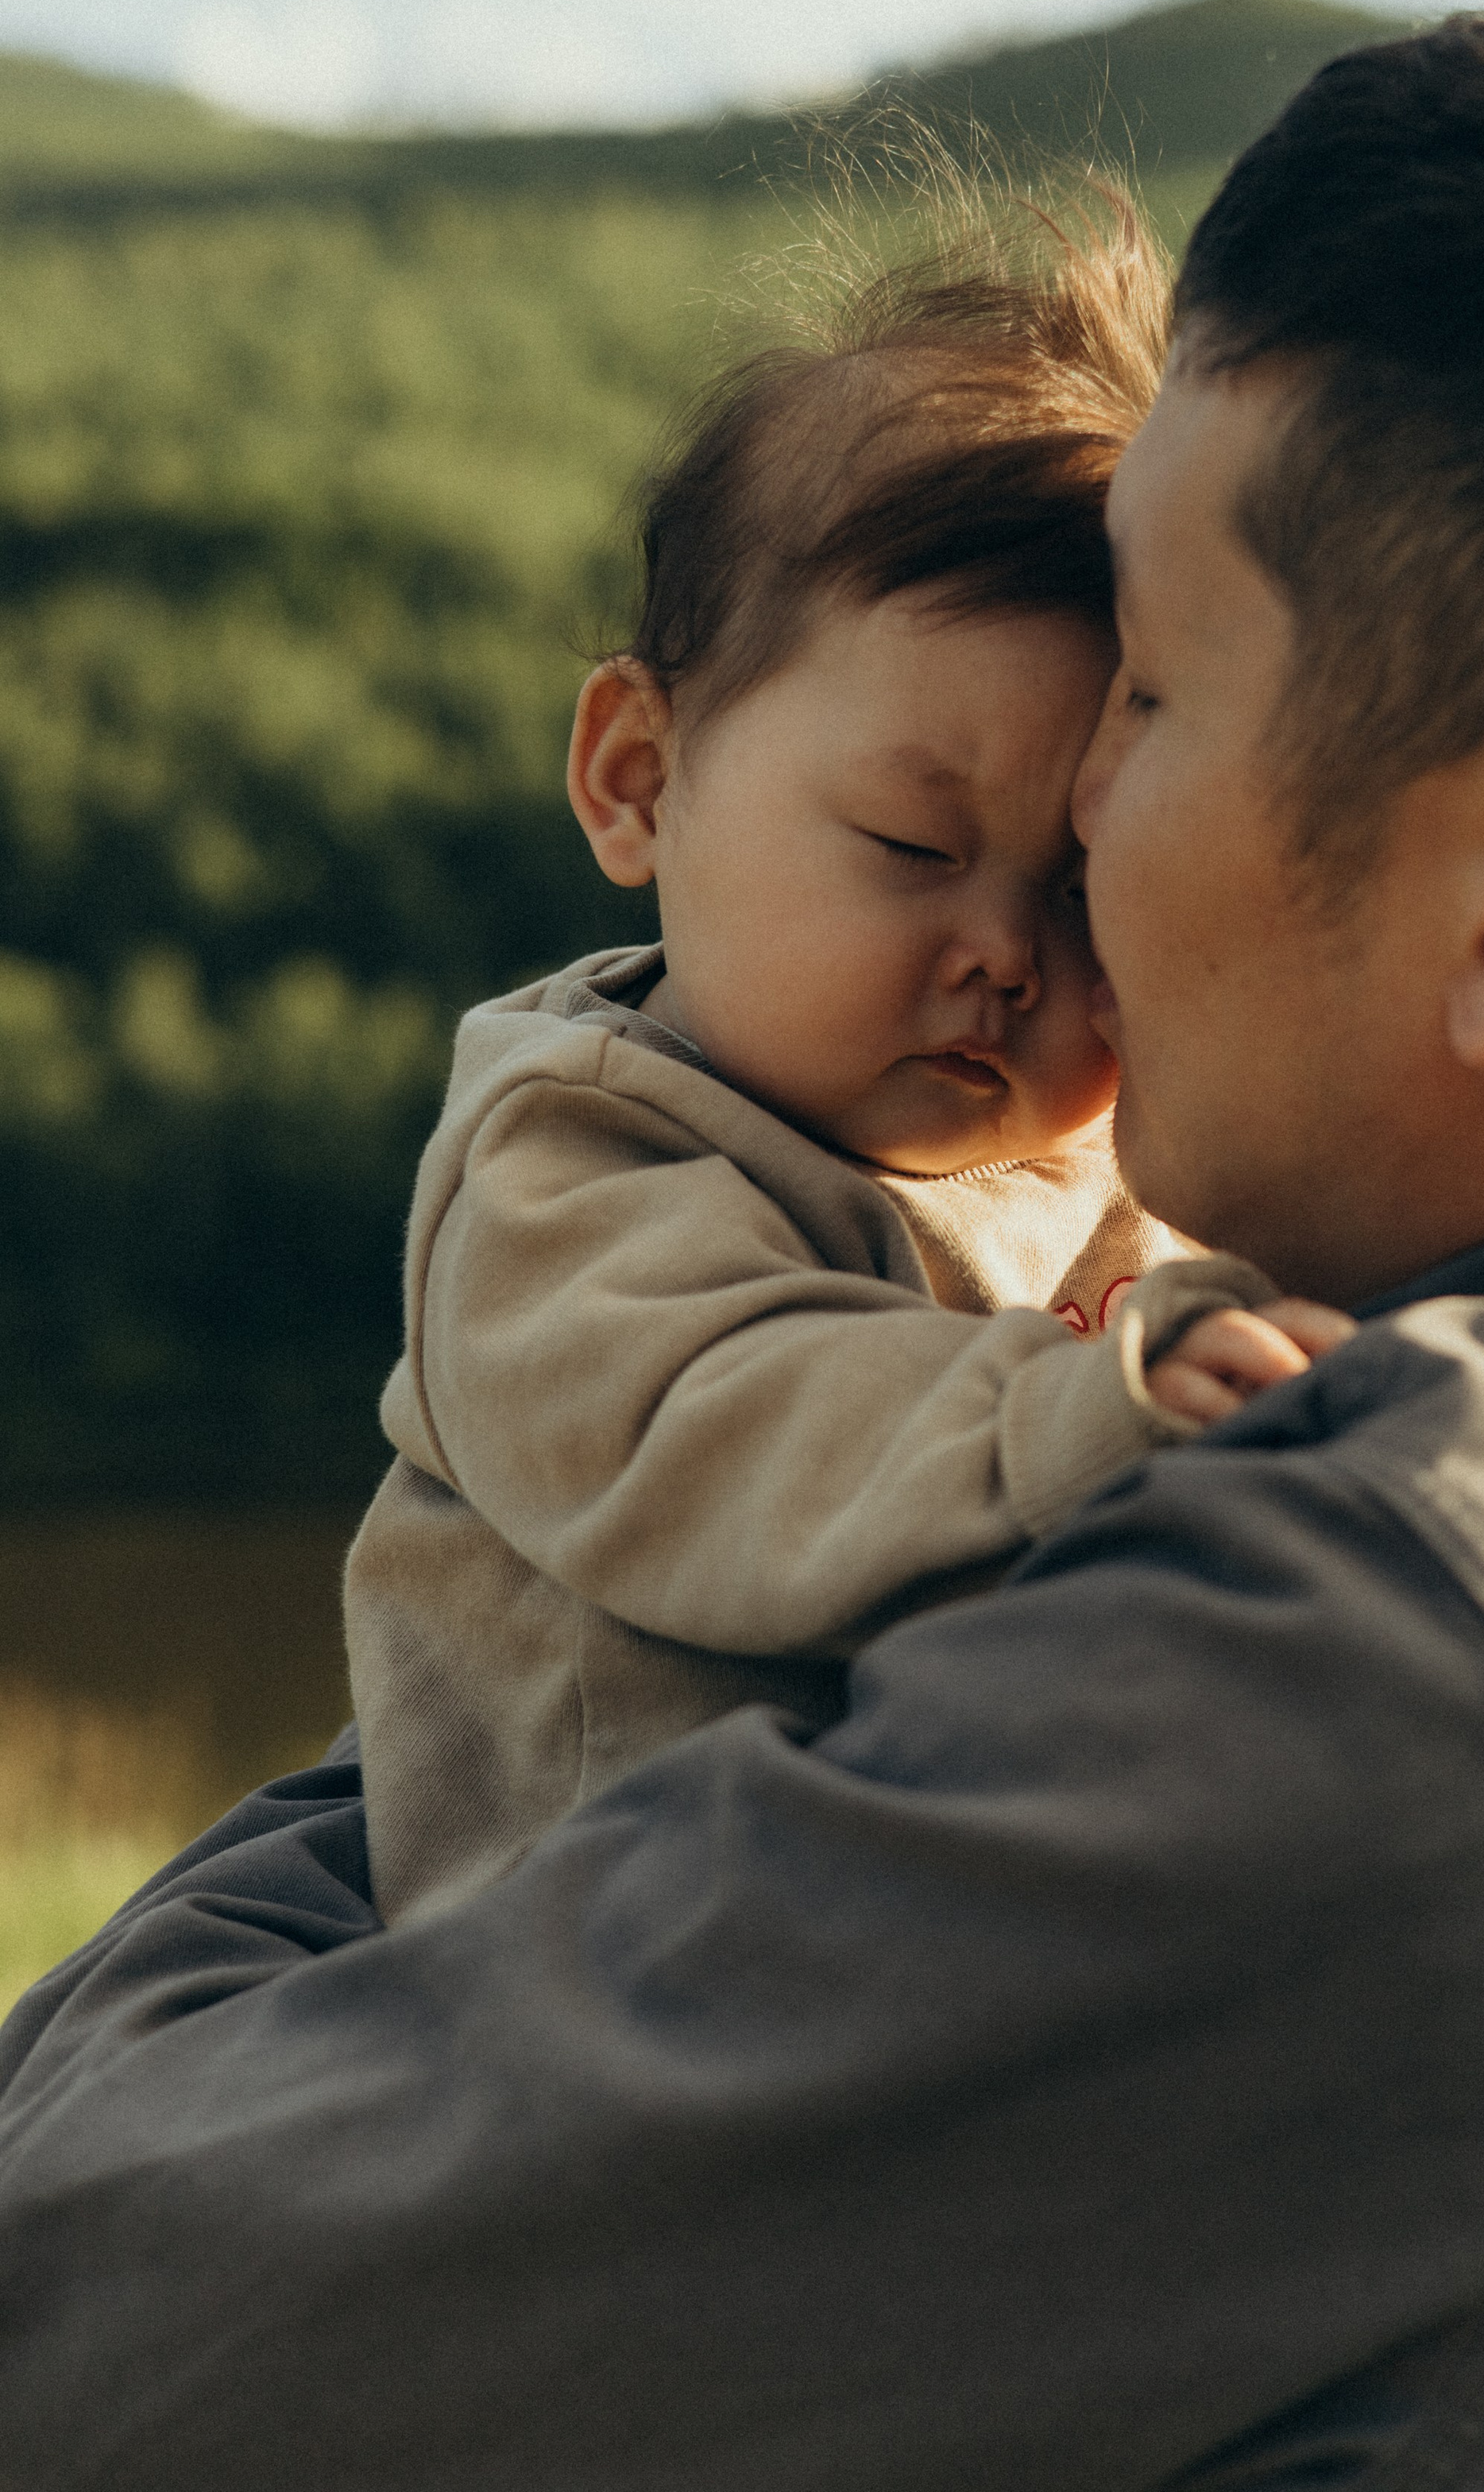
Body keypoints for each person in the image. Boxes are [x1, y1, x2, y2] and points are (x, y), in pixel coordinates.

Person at [6, 14, 1484, 2490]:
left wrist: (254, 1913)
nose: (1075, 830)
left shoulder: (1384, 1676)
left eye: (1151, 702)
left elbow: (102, 2324)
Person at [346, 216, 1331, 1923]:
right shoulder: (571, 1162)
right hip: (589, 1987)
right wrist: (1088, 1416)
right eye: (906, 843)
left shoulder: (1121, 1164)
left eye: (1088, 889)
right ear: (639, 778)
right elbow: (730, 1433)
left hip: (903, 1925)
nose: (1007, 952)